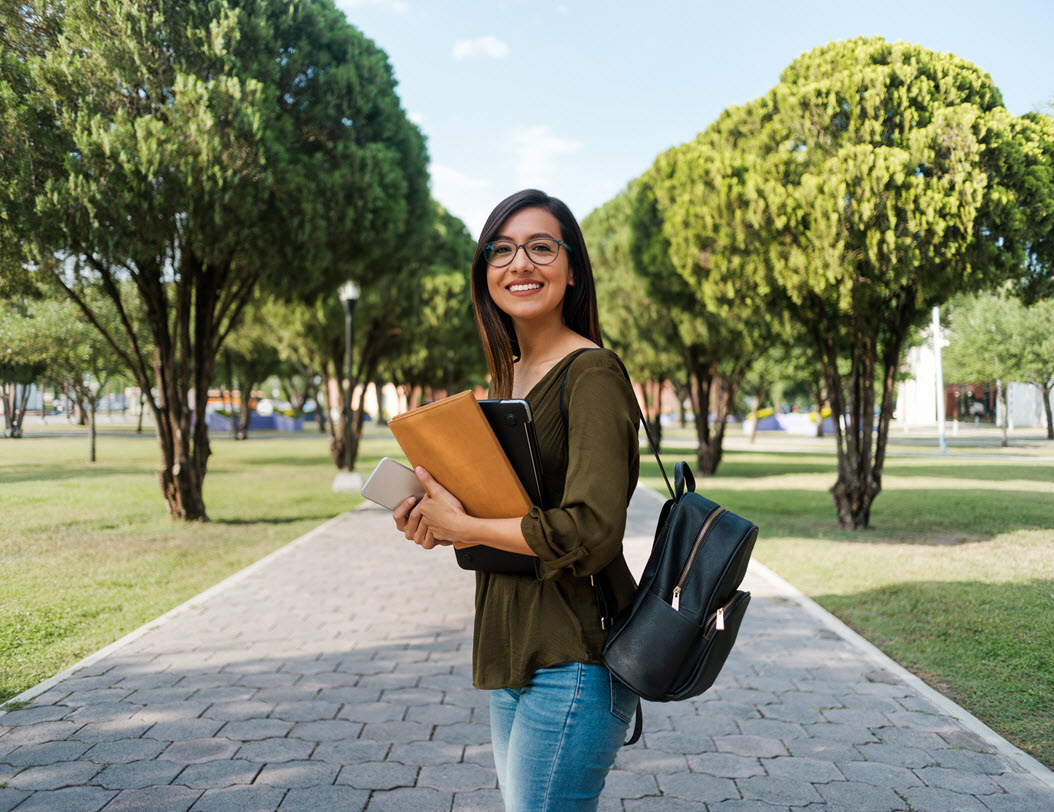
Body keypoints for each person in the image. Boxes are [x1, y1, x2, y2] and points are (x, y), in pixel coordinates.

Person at [393, 189, 640, 811]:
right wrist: (441, 522)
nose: (518, 263)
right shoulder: (509, 378)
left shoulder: (592, 373)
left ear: (572, 267)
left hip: (575, 659)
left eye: (540, 247)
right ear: (485, 274)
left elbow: (592, 530)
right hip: (514, 652)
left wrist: (467, 523)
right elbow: (502, 514)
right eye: (500, 250)